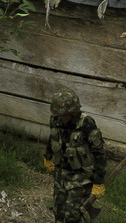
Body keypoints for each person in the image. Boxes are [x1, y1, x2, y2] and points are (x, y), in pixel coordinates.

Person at [44, 87, 107, 223]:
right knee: (59, 212)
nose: (62, 117)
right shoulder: (56, 120)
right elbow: (53, 138)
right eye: (59, 114)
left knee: (72, 216)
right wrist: (47, 157)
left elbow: (100, 154)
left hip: (81, 178)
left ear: (73, 111)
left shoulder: (87, 124)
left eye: (65, 114)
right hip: (61, 174)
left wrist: (98, 182)